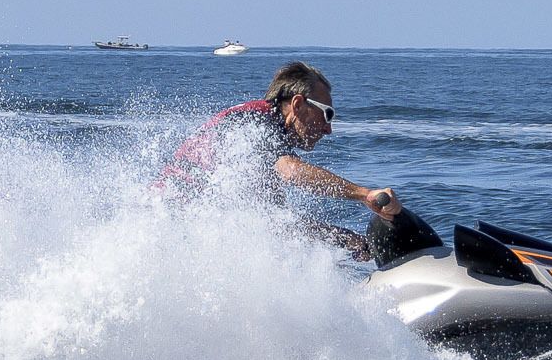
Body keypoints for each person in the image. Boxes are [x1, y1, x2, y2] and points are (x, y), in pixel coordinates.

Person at [158, 60, 399, 255]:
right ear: (297, 104)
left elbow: (277, 224)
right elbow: (292, 172)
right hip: (168, 232)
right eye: (327, 114)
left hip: (177, 235)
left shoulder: (261, 145)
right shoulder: (257, 123)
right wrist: (363, 194)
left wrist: (346, 239)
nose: (328, 129)